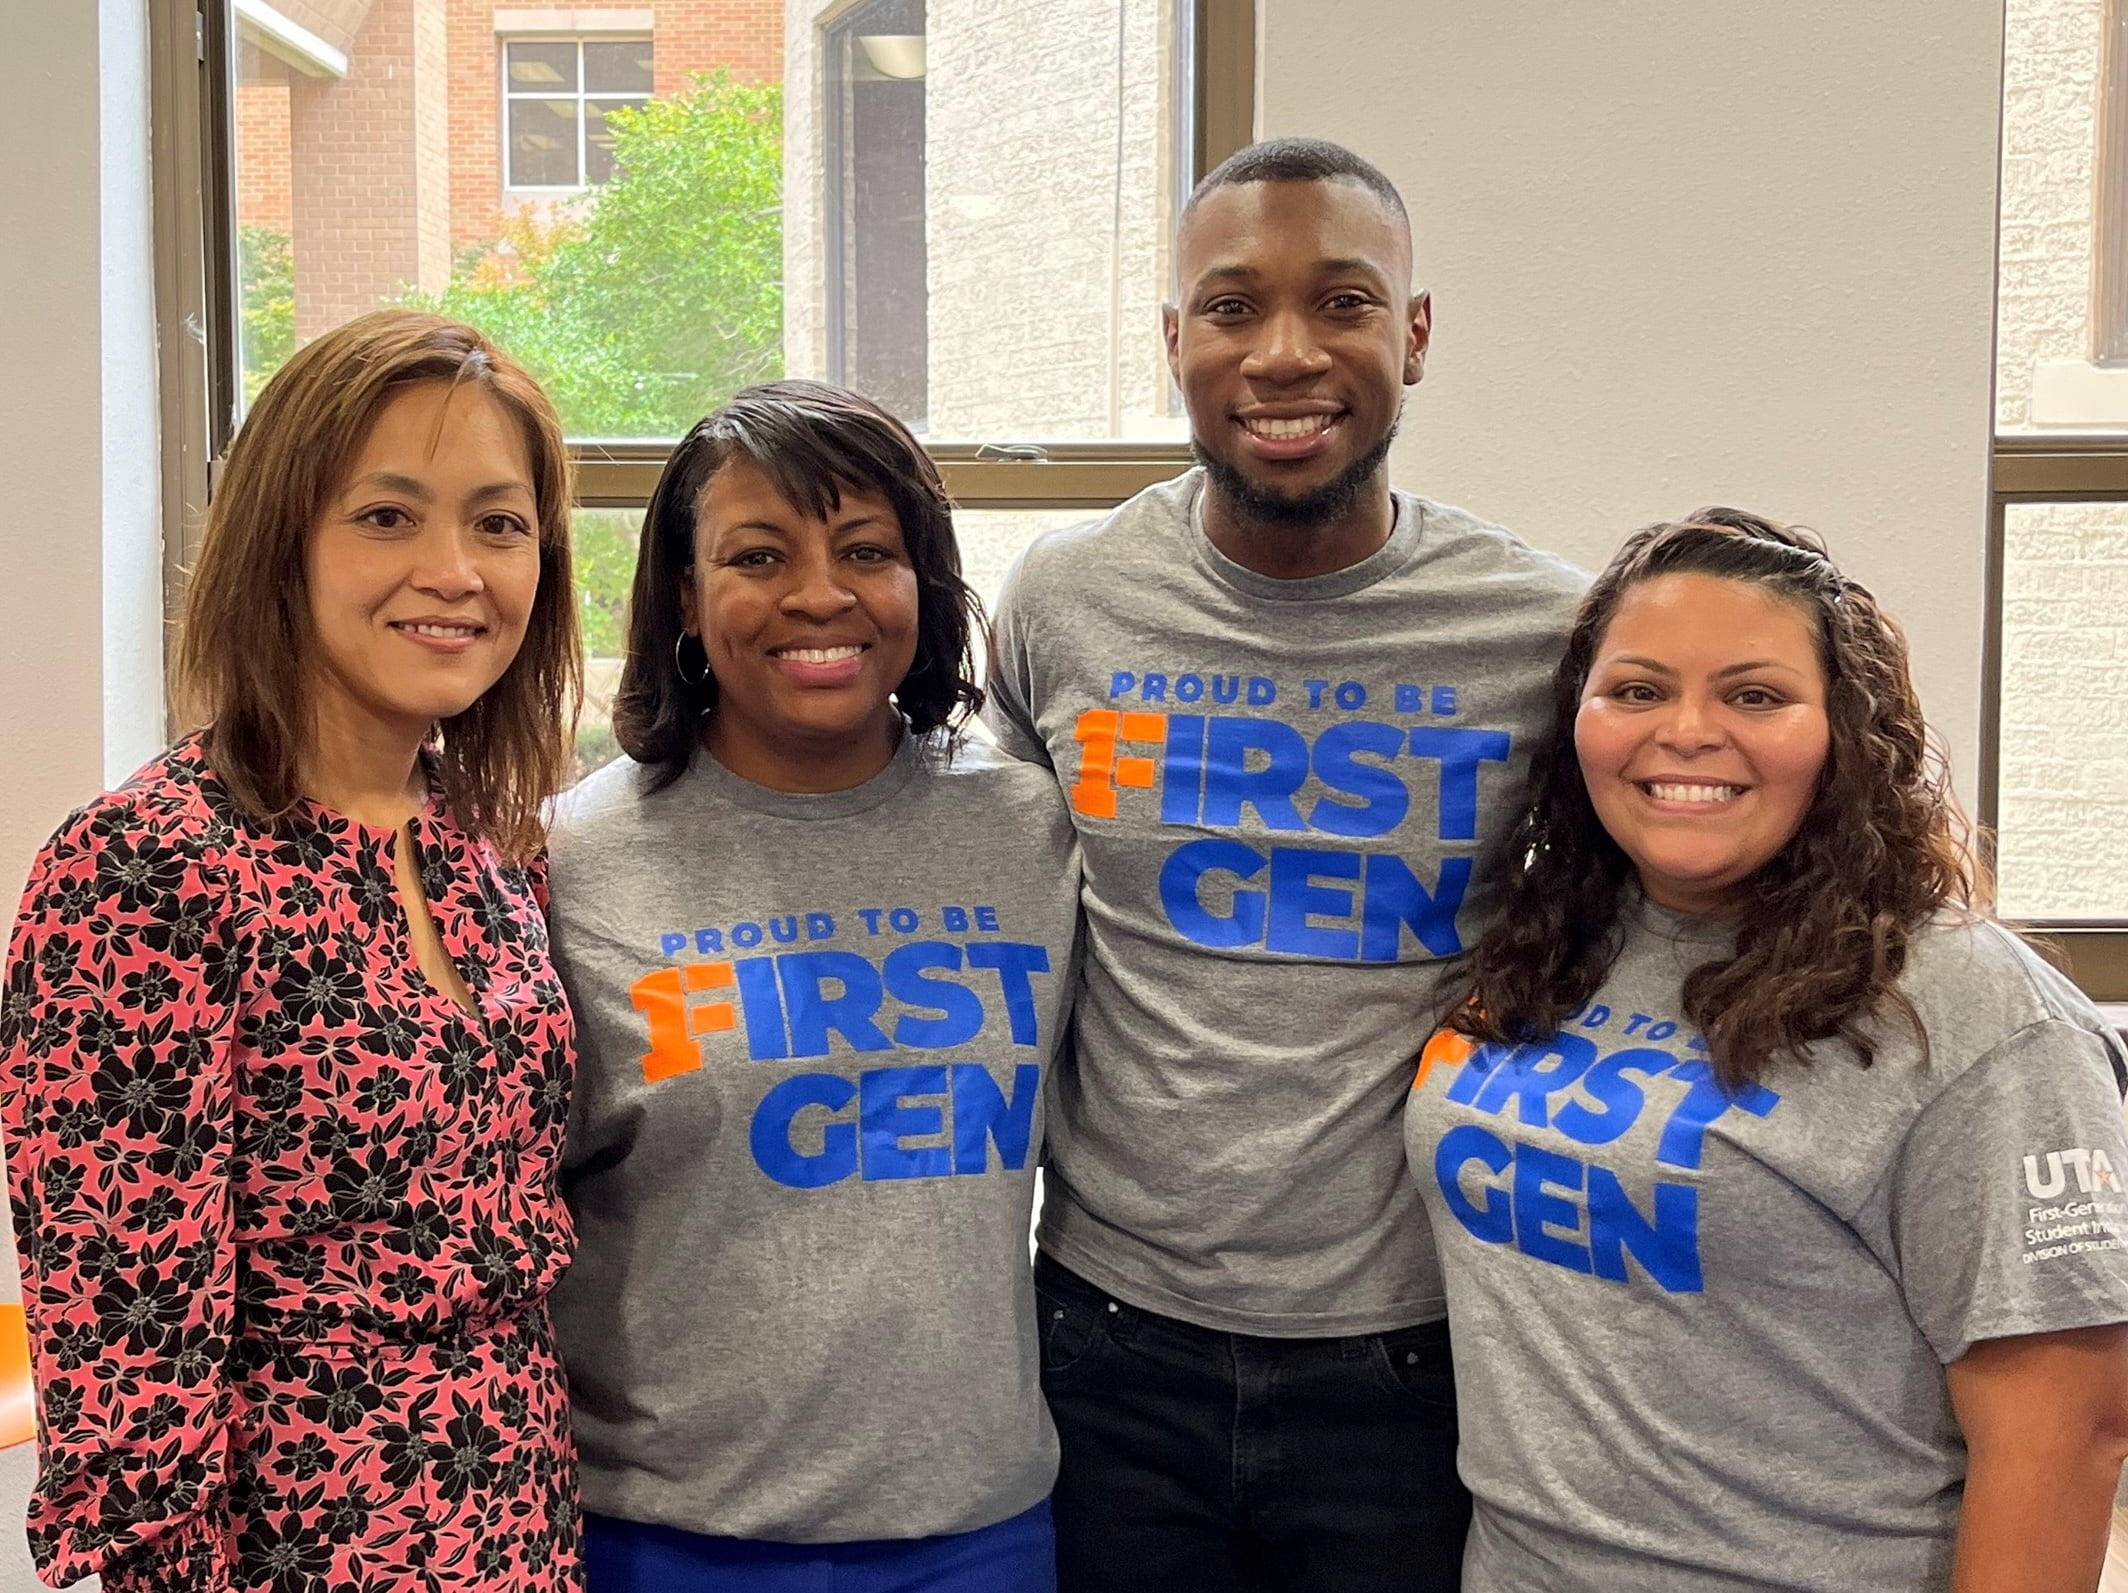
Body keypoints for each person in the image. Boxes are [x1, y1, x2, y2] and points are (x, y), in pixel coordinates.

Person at [983, 136, 1586, 1589]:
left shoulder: (1544, 630)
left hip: (1413, 1352)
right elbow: (992, 892)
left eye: (1347, 303)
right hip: (1106, 1341)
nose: (1288, 354)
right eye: (1237, 308)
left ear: (1417, 337)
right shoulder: (1064, 602)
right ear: (1175, 339)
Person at [1409, 509, 2128, 1592]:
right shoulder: (1556, 939)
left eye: (1754, 695)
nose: (1687, 732)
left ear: (1843, 727)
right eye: (1638, 690)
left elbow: (2066, 1440)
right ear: (1578, 721)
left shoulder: (1975, 1017)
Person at [0, 309, 586, 1591]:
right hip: (295, 1550)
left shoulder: (487, 849)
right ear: (281, 543)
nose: (456, 570)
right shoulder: (144, 874)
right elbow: (128, 1366)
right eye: (387, 517)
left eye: (499, 523)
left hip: (523, 1518)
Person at [544, 379, 1079, 1593]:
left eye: (866, 551)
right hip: (665, 1538)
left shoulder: (1029, 830)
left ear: (923, 583)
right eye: (758, 554)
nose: (819, 595)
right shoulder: (575, 863)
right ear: (683, 594)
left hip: (976, 1530)